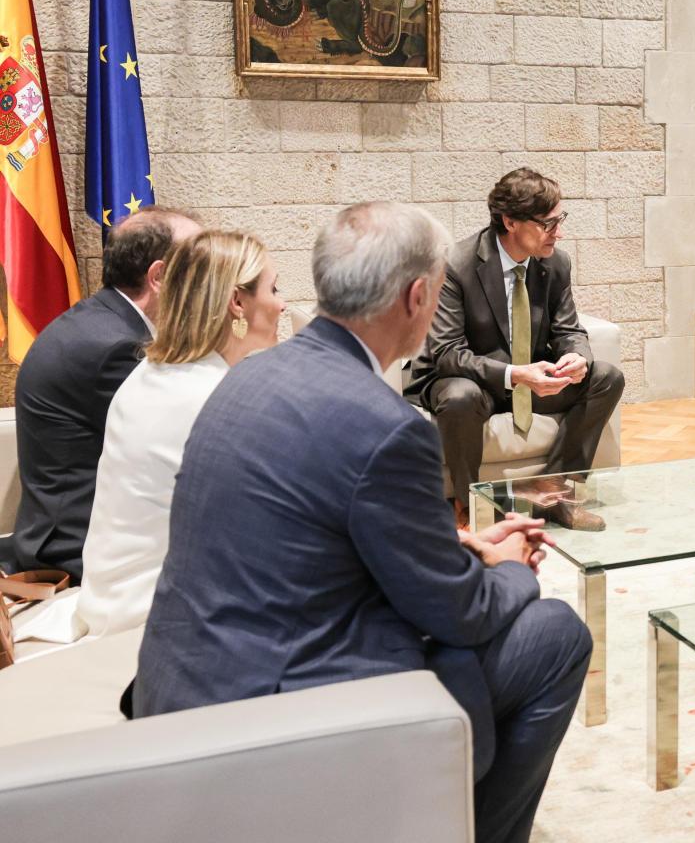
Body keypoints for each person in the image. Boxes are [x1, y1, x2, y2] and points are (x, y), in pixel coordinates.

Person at [135, 203, 591, 843]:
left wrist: (458, 543)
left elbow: (316, 532)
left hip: (182, 688)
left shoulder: (250, 374)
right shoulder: (390, 427)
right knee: (556, 633)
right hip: (281, 719)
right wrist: (512, 570)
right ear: (416, 297)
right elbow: (458, 611)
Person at [74, 231, 283, 639]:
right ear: (237, 302)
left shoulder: (157, 373)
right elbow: (265, 530)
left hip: (116, 600)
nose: (281, 303)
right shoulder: (208, 398)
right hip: (160, 618)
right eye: (273, 288)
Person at [407, 167, 623, 528]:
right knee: (459, 396)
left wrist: (576, 357)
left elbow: (569, 328)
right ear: (510, 221)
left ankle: (552, 490)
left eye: (560, 220)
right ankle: (467, 504)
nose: (560, 232)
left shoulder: (556, 263)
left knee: (606, 377)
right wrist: (514, 375)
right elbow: (447, 353)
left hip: (530, 378)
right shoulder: (455, 266)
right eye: (548, 224)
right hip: (469, 380)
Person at [8, 207, 201, 580]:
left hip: (71, 528)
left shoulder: (101, 321)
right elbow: (184, 449)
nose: (210, 280)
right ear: (159, 275)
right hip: (76, 552)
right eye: (200, 265)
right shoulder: (115, 347)